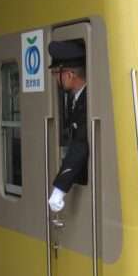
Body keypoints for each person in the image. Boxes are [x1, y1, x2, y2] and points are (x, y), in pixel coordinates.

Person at [47, 39, 88, 213]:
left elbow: (81, 144)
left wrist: (59, 190)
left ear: (70, 75)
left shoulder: (87, 101)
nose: (55, 77)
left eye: (56, 73)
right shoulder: (76, 98)